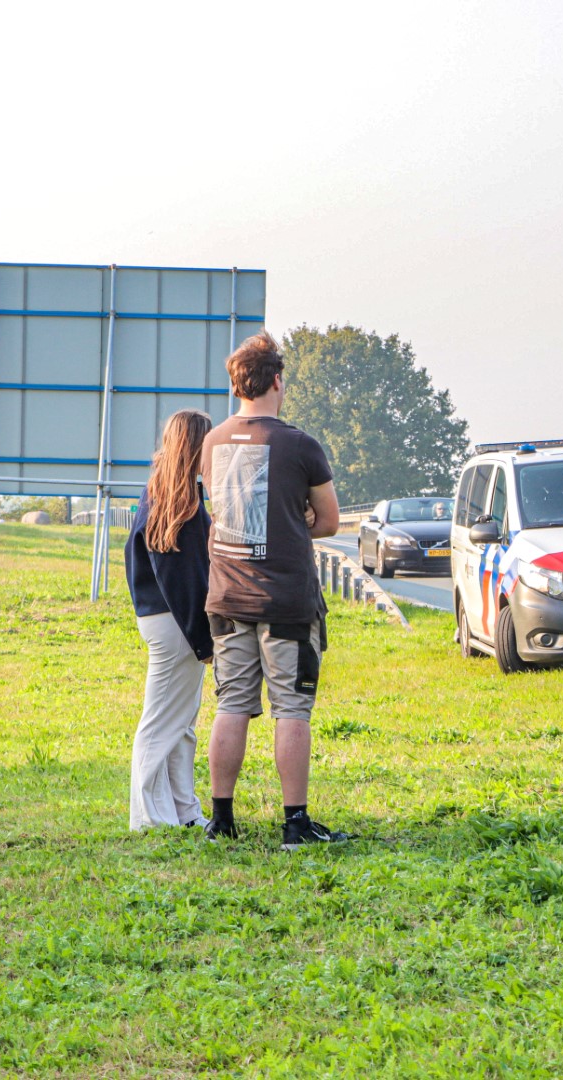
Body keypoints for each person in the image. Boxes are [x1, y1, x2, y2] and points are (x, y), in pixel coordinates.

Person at [200, 331, 350, 849]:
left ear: (236, 384)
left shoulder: (212, 440)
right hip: (284, 598)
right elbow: (328, 521)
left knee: (231, 704)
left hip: (227, 594)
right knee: (292, 708)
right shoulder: (300, 444)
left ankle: (221, 819)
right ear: (278, 382)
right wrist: (292, 520)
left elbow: (226, 513)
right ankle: (294, 823)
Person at [124, 409, 215, 831]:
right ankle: (149, 818)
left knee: (181, 726)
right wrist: (204, 639)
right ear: (197, 445)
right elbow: (187, 582)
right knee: (163, 723)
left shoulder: (158, 493)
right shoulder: (183, 503)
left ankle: (184, 811)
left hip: (159, 619)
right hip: (178, 623)